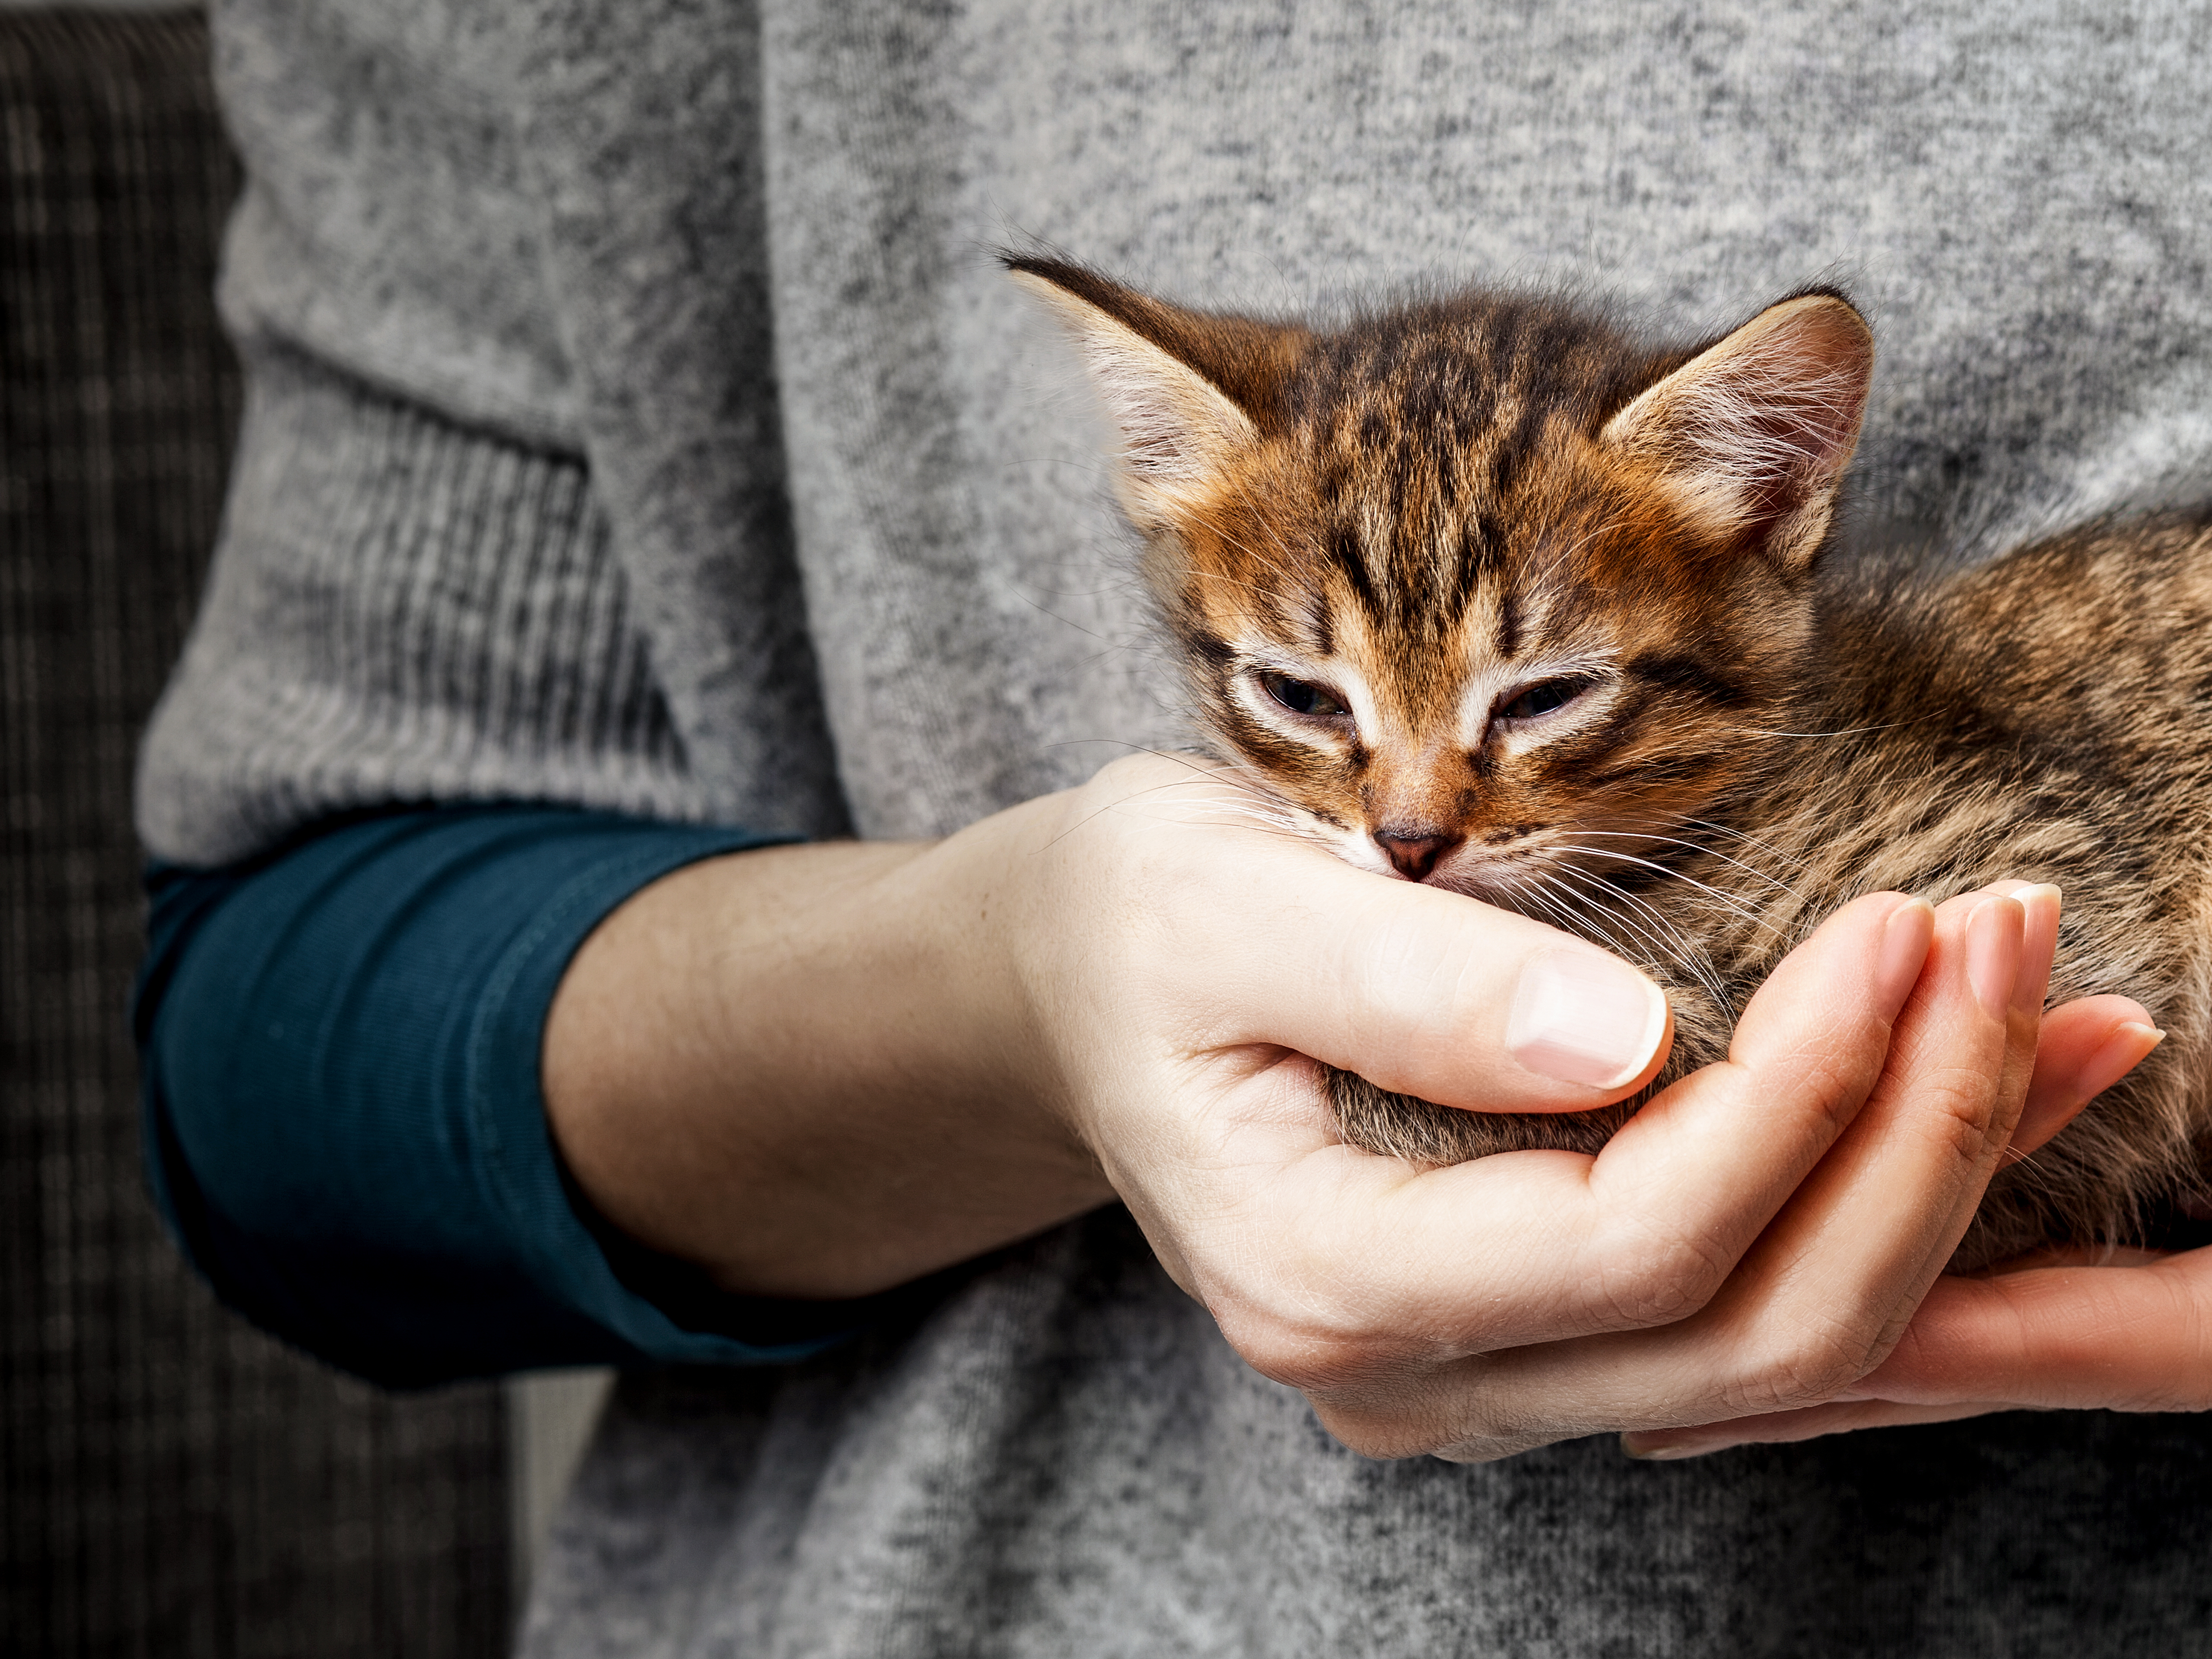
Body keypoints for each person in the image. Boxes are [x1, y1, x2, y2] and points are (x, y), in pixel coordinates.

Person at [136, 0, 2212, 1650]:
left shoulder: (1829, 780)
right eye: (1299, 707)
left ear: (1768, 500)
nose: (1408, 819)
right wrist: (1023, 992)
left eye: (1540, 706)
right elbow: (276, 1069)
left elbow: (2094, 950)